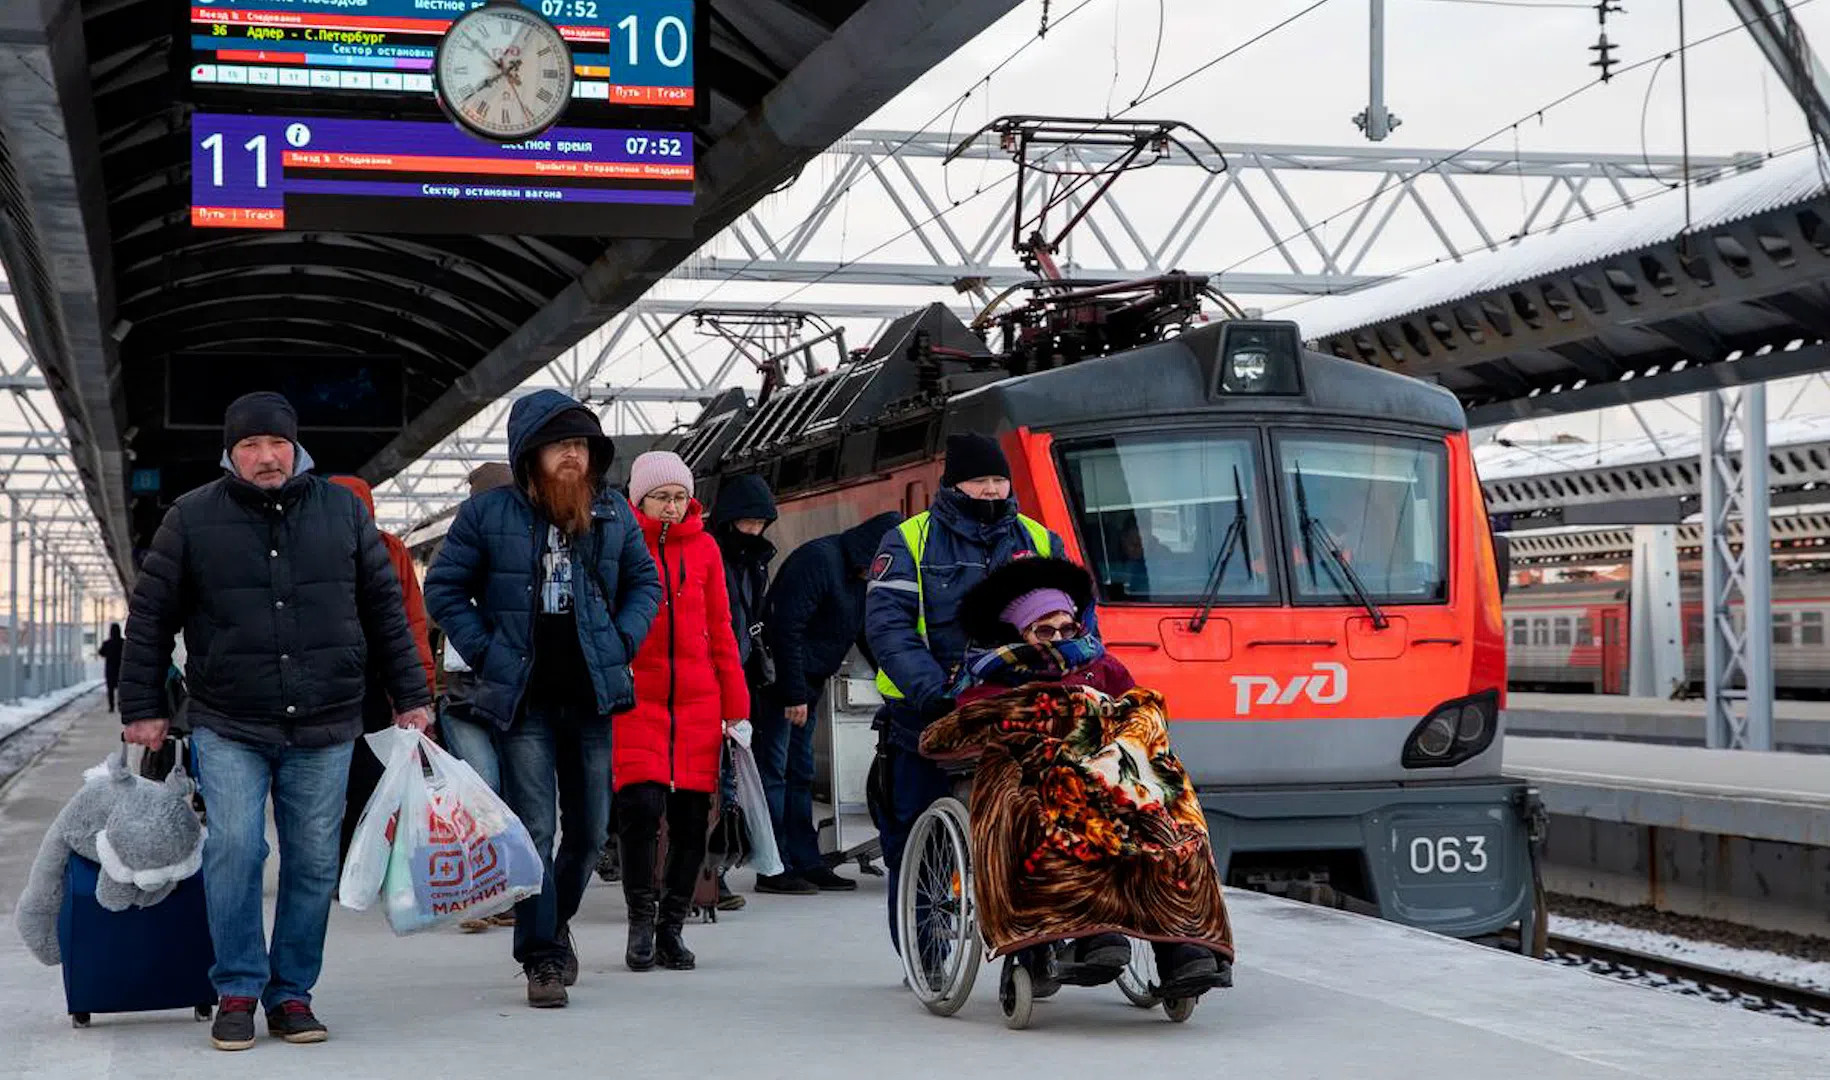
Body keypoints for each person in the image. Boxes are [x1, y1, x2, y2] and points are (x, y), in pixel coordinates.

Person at [117, 391, 434, 1051]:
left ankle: (291, 993)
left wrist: (412, 694)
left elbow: (387, 613)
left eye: (276, 445)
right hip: (229, 718)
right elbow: (149, 620)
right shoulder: (192, 518)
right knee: (236, 847)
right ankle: (236, 986)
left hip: (325, 719)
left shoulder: (343, 514)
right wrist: (142, 706)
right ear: (230, 454)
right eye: (250, 446)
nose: (266, 457)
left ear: (297, 449)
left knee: (314, 860)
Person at [423, 391, 661, 1009]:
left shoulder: (611, 511)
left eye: (582, 447)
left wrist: (623, 638)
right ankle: (542, 957)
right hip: (523, 700)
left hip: (592, 697)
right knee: (534, 828)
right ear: (531, 454)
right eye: (562, 446)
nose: (574, 457)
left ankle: (552, 923)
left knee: (588, 831)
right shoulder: (487, 516)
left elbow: (645, 583)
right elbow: (444, 590)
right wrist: (489, 651)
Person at [925, 555, 1232, 1000]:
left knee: (1170, 821)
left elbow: (1139, 712)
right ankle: (1093, 936)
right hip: (1039, 779)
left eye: (1067, 629)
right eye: (1044, 631)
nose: (1059, 640)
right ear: (1020, 633)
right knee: (1067, 819)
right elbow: (967, 725)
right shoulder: (993, 678)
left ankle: (1184, 949)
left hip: (1114, 775)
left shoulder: (1104, 668)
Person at [864, 431, 1086, 948]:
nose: (990, 490)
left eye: (998, 479)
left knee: (1042, 823)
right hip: (929, 714)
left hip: (1022, 709)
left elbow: (1077, 617)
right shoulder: (909, 540)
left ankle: (1041, 935)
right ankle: (927, 949)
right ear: (953, 483)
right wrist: (933, 690)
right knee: (914, 838)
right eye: (979, 480)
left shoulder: (1038, 539)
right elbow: (888, 629)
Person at [615, 451, 748, 973]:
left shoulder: (708, 549)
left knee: (693, 822)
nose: (671, 507)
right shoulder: (622, 544)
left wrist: (736, 706)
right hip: (635, 700)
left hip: (698, 702)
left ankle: (672, 926)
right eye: (660, 497)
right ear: (639, 499)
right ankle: (640, 923)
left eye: (678, 497)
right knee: (640, 810)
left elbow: (723, 628)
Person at [752, 511, 901, 895]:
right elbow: (786, 628)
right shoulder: (820, 561)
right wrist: (794, 693)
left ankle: (806, 860)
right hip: (783, 684)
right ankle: (774, 866)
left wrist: (899, 684)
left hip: (809, 681)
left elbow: (867, 633)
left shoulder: (855, 574)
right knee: (776, 772)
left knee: (799, 772)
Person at [328, 476, 437, 863]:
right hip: (341, 682)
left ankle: (347, 860)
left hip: (371, 681)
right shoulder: (310, 548)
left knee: (364, 776)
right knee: (350, 778)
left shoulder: (390, 550)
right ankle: (347, 860)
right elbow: (414, 623)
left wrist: (418, 691)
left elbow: (410, 621)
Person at [436, 461, 517, 934]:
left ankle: (503, 890)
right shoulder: (459, 549)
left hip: (513, 695)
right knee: (481, 789)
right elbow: (437, 610)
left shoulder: (530, 544)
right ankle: (477, 893)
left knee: (509, 794)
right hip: (464, 696)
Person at [702, 473, 778, 911]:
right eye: (746, 522)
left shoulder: (756, 562)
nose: (753, 530)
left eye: (760, 523)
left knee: (729, 776)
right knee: (716, 780)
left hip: (738, 675)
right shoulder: (713, 555)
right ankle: (710, 874)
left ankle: (717, 871)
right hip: (709, 676)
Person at [97, 623, 124, 712]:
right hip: (121, 669)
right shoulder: (123, 642)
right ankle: (120, 706)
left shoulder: (107, 643)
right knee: (121, 689)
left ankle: (111, 707)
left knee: (110, 689)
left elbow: (101, 652)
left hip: (110, 670)